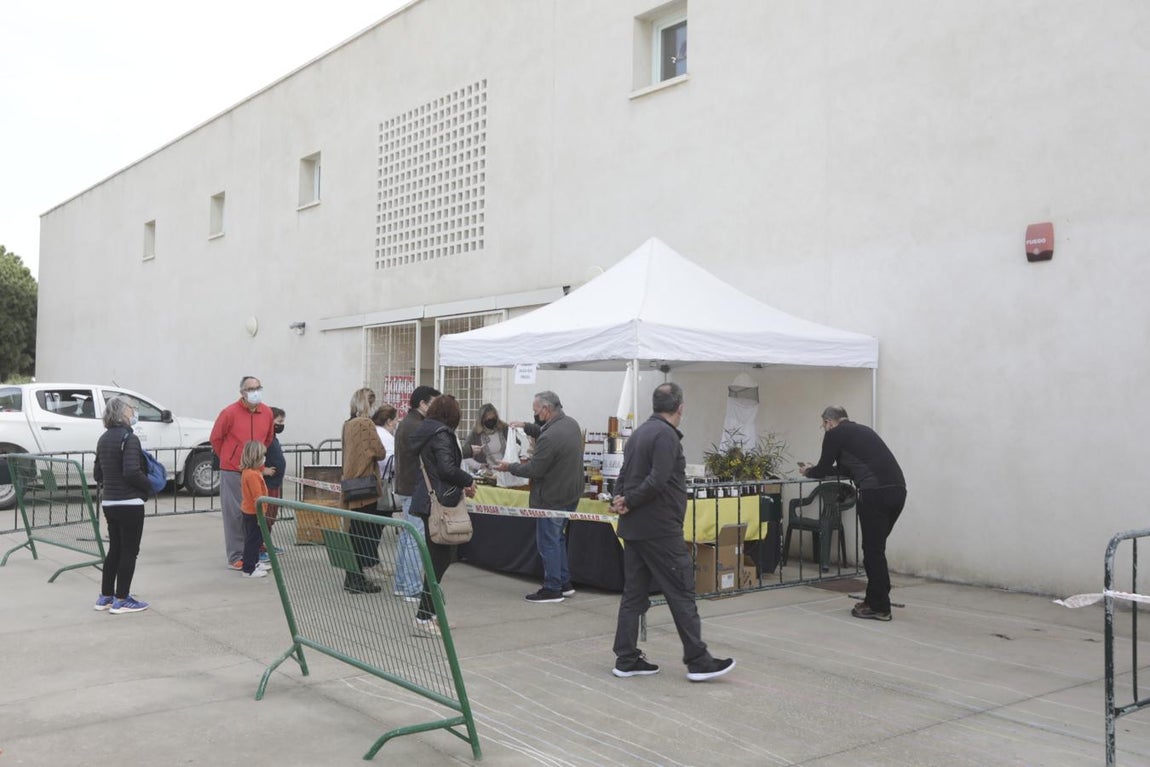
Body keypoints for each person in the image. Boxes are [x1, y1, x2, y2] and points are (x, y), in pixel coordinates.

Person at [610, 382, 736, 682]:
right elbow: (657, 480)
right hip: (659, 529)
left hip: (637, 528)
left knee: (634, 594)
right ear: (680, 407)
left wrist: (620, 498)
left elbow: (625, 474)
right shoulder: (666, 436)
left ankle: (626, 658)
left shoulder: (640, 433)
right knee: (681, 592)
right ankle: (698, 660)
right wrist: (627, 500)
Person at [800, 405, 906, 621]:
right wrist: (817, 469)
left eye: (824, 425)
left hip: (874, 493)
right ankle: (875, 597)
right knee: (876, 549)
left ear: (829, 422)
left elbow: (822, 469)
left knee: (873, 551)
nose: (825, 429)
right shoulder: (863, 431)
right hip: (898, 491)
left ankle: (880, 607)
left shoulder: (834, 434)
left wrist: (809, 471)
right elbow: (845, 470)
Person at [495, 391, 583, 603]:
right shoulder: (571, 424)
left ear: (546, 409)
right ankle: (564, 582)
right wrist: (526, 426)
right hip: (571, 494)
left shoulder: (550, 437)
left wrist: (510, 467)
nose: (534, 414)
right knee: (558, 538)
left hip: (552, 497)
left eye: (536, 411)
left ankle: (553, 588)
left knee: (548, 542)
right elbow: (545, 431)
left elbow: (535, 469)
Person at [408, 394, 477, 637]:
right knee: (439, 560)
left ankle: (432, 613)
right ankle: (423, 617)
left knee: (440, 558)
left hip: (429, 499)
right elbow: (447, 468)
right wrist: (468, 480)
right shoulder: (441, 434)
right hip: (438, 501)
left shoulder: (426, 430)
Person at [93, 396, 154, 614]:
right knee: (130, 551)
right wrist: (149, 486)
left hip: (109, 501)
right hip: (129, 502)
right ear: (122, 412)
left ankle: (105, 596)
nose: (133, 412)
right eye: (131, 408)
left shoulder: (103, 438)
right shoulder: (129, 438)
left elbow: (97, 473)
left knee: (115, 549)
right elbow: (131, 471)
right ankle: (122, 599)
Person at [210, 376, 276, 571]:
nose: (255, 391)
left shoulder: (267, 413)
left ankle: (252, 555)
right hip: (233, 471)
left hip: (255, 470)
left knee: (253, 513)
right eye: (250, 388)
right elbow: (216, 438)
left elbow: (269, 438)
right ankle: (236, 556)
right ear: (242, 392)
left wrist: (257, 462)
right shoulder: (229, 413)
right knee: (235, 514)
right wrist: (229, 459)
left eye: (258, 387)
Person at [392, 385, 441, 602]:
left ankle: (402, 584)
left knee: (407, 537)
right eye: (434, 403)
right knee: (414, 538)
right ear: (422, 404)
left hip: (407, 486)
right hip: (414, 488)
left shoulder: (408, 423)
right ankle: (411, 587)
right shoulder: (416, 425)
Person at [342, 387, 387, 594]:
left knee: (353, 534)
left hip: (350, 484)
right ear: (367, 403)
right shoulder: (366, 424)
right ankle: (358, 580)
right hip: (365, 486)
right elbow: (379, 451)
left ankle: (352, 577)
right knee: (362, 536)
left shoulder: (348, 424)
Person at [239, 440, 273, 579]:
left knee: (255, 540)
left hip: (251, 512)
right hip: (254, 513)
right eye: (263, 456)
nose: (264, 459)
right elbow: (258, 498)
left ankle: (254, 562)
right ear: (256, 457)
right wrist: (261, 516)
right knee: (253, 541)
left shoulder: (250, 472)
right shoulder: (252, 475)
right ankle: (248, 569)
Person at [260, 406, 287, 558]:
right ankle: (260, 547)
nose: (282, 424)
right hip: (268, 485)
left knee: (271, 518)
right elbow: (254, 455)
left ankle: (266, 544)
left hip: (275, 484)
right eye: (279, 421)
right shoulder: (264, 438)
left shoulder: (273, 438)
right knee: (264, 518)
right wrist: (262, 469)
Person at [372, 405, 400, 517]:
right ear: (389, 421)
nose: (396, 424)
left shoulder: (373, 432)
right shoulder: (387, 438)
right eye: (396, 420)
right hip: (385, 484)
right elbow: (389, 462)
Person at [464, 403, 509, 470]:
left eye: (493, 418)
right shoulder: (475, 433)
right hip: (486, 474)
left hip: (505, 470)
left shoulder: (504, 428)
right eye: (487, 418)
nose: (490, 420)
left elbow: (517, 445)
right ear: (481, 419)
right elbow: (464, 455)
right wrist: (479, 466)